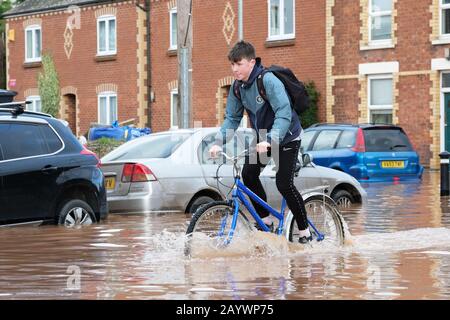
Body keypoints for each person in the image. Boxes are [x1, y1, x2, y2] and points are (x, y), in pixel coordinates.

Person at [209, 40, 312, 244]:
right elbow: (232, 118)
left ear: (251, 62)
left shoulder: (268, 80)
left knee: (284, 184)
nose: (235, 69)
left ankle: (304, 231)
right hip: (264, 136)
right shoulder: (238, 88)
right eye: (232, 65)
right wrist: (218, 142)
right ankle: (266, 222)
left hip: (288, 135)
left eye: (239, 64)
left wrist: (270, 141)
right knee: (248, 173)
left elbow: (283, 114)